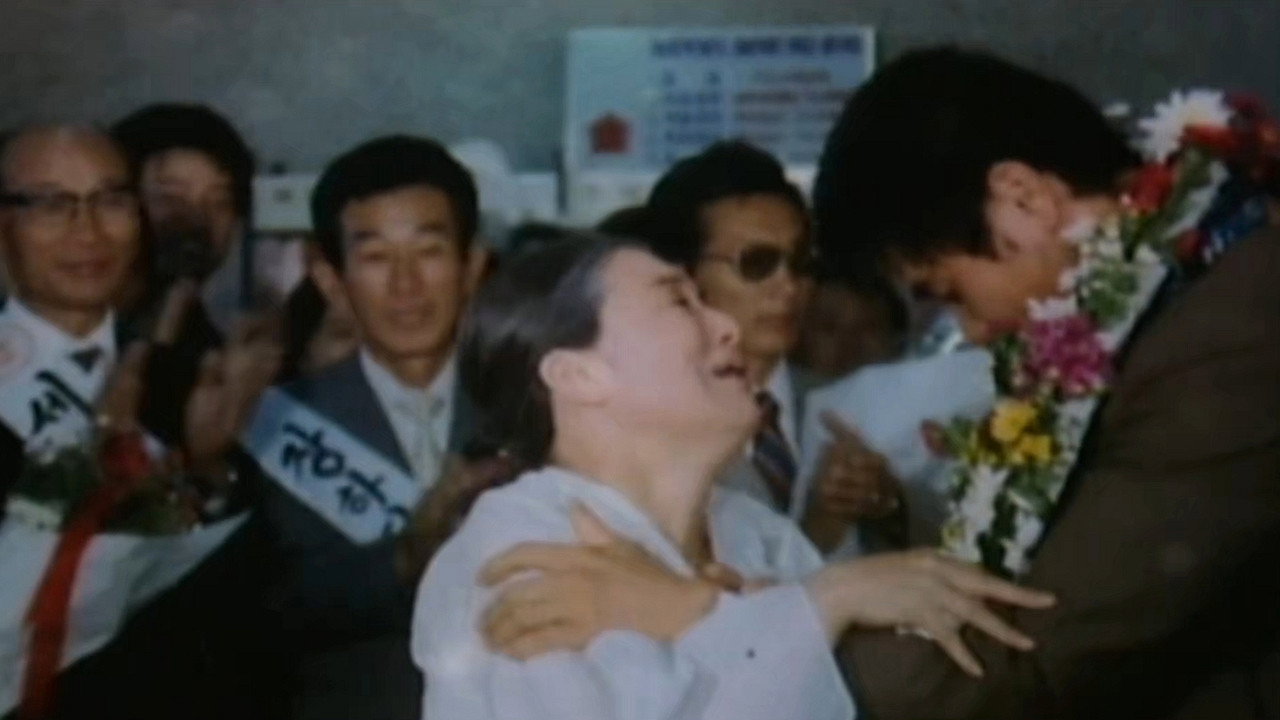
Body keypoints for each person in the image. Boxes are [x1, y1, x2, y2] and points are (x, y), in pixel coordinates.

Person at [808, 47, 1280, 719]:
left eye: (947, 293)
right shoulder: (1167, 305)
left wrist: (760, 647)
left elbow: (1037, 653)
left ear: (1022, 200)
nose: (969, 333)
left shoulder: (1229, 327)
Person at [412, 234, 1055, 720]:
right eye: (679, 302)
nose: (726, 325)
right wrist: (819, 604)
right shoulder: (518, 557)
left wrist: (705, 615)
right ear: (577, 375)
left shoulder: (757, 535)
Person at [0, 125, 279, 719]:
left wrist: (208, 469)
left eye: (112, 201)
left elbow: (243, 599)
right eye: (52, 204)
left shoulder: (191, 377)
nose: (89, 231)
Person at [247, 135, 486, 720]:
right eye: (376, 257)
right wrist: (411, 555)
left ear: (472, 265)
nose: (405, 286)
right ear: (331, 279)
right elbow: (266, 615)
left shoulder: (536, 407)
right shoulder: (276, 426)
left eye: (429, 251)